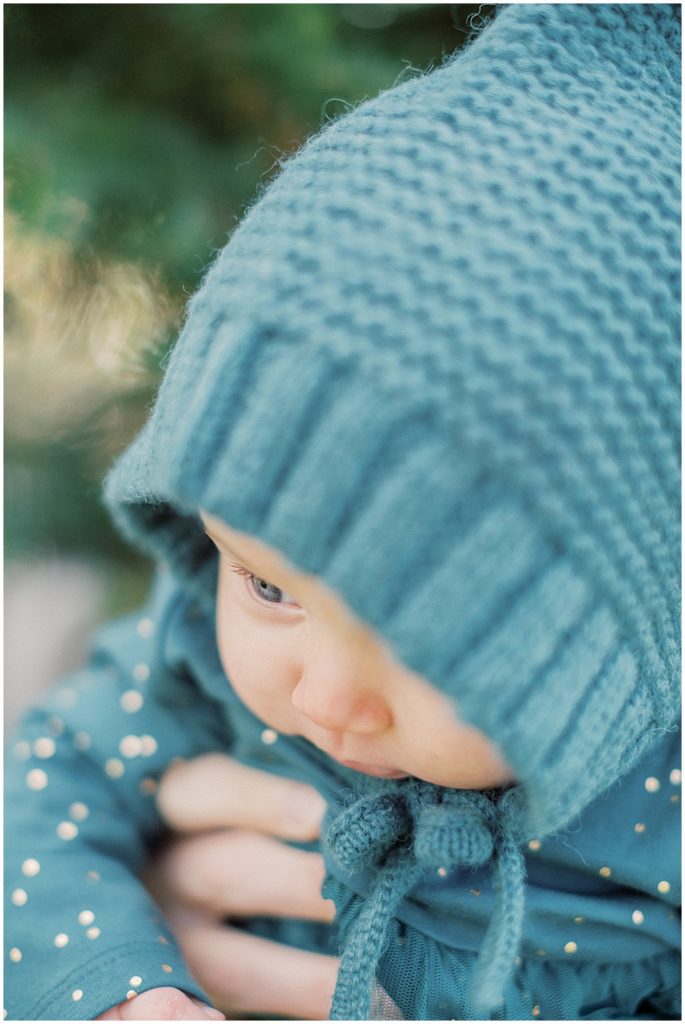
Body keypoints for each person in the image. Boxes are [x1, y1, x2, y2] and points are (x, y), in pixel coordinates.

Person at [5, 3, 681, 1020]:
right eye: (269, 584)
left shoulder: (654, 803)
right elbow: (37, 802)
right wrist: (126, 993)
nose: (325, 698)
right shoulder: (191, 664)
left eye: (426, 641)